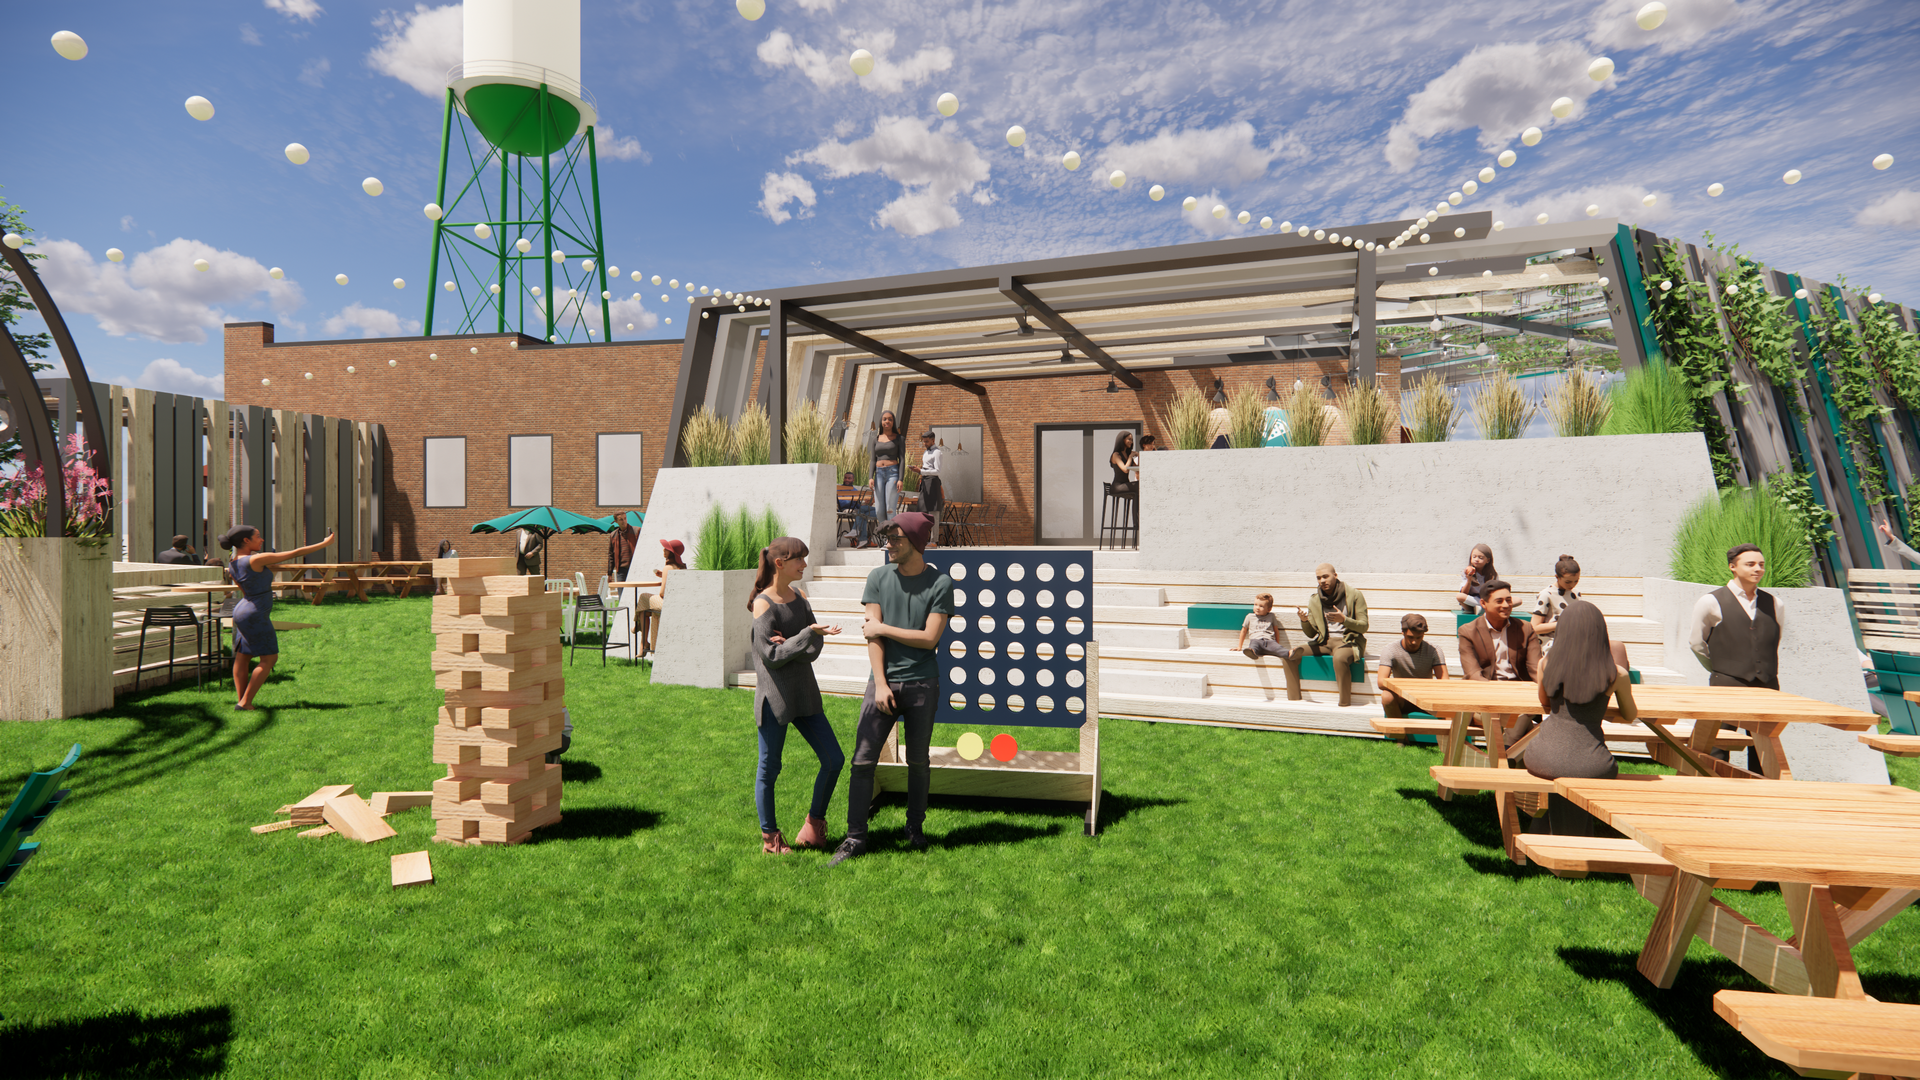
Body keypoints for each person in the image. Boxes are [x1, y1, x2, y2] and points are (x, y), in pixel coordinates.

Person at [832, 512, 953, 865]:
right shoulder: (878, 577)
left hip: (923, 683)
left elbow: (929, 638)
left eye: (896, 539)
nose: (888, 545)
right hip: (881, 683)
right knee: (862, 761)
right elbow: (872, 637)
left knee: (918, 761)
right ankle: (855, 838)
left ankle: (914, 828)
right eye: (887, 539)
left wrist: (883, 628)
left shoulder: (940, 583)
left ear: (915, 542)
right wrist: (881, 684)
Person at [747, 536, 845, 854]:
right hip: (775, 700)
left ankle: (813, 826)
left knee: (834, 759)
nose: (804, 564)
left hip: (805, 694)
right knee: (769, 768)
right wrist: (802, 637)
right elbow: (771, 656)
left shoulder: (800, 597)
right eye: (799, 559)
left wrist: (793, 642)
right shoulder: (763, 603)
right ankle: (770, 839)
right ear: (780, 563)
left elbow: (813, 647)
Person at [1526, 600, 1637, 836]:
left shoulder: (1546, 663)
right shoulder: (1616, 673)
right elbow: (1629, 715)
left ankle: (1552, 833)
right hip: (1592, 763)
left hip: (1541, 757)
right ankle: (1575, 836)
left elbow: (1545, 702)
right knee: (1580, 770)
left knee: (1562, 770)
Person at [218, 523, 335, 710]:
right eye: (258, 536)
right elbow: (295, 553)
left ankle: (242, 700)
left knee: (243, 656)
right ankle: (245, 702)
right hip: (255, 613)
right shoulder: (256, 559)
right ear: (246, 540)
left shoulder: (233, 563)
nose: (262, 539)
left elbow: (245, 589)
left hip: (241, 609)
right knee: (269, 659)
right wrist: (325, 543)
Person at [1458, 578, 1544, 744]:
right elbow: (1473, 673)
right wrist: (1499, 695)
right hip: (1487, 695)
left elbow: (1535, 669)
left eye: (1508, 600)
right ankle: (1509, 753)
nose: (1506, 605)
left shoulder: (1525, 629)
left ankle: (1506, 754)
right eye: (1499, 601)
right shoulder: (1468, 631)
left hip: (1520, 696)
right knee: (1523, 724)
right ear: (1483, 603)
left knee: (1523, 714)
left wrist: (1548, 692)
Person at [1689, 543, 1783, 690]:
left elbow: (1772, 641)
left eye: (1761, 564)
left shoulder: (1775, 603)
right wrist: (1719, 669)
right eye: (1750, 564)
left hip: (1768, 685)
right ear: (1732, 567)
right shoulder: (1711, 601)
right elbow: (1696, 643)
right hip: (1726, 685)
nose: (1758, 569)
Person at [1284, 564, 1368, 707]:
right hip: (1324, 641)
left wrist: (1344, 620)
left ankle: (1344, 703)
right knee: (1290, 654)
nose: (1322, 581)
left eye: (1325, 576)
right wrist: (1304, 621)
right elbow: (1311, 634)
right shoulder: (1315, 599)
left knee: (1339, 658)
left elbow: (1364, 626)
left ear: (1335, 575)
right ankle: (1294, 701)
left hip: (1347, 641)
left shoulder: (1354, 595)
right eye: (1318, 578)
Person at [1377, 613, 1449, 718]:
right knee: (1386, 696)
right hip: (1402, 697)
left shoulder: (1434, 650)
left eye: (1419, 637)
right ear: (1402, 632)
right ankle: (1399, 729)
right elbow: (1381, 682)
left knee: (1450, 706)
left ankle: (1448, 727)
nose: (1414, 641)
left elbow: (1444, 681)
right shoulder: (1390, 650)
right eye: (1410, 637)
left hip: (1426, 698)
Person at [635, 538, 684, 658]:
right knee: (645, 611)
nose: (663, 550)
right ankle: (641, 637)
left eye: (666, 549)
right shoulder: (680, 567)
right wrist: (663, 576)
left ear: (671, 552)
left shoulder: (668, 567)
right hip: (678, 604)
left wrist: (664, 578)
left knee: (643, 597)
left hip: (666, 604)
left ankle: (640, 635)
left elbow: (662, 593)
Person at [1532, 555, 1582, 653]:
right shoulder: (1546, 594)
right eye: (1568, 582)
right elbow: (1534, 627)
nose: (1572, 585)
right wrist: (1563, 624)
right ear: (1557, 577)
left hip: (1573, 643)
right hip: (1552, 646)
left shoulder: (1575, 593)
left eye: (1576, 581)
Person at [869, 411, 905, 543]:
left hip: (893, 474)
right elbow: (873, 460)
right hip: (878, 474)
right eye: (884, 419)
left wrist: (901, 479)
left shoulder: (899, 439)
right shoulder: (876, 439)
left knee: (890, 508)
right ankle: (886, 537)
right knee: (879, 510)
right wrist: (870, 477)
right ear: (881, 421)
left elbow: (902, 459)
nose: (887, 421)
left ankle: (892, 539)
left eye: (890, 419)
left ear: (893, 422)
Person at [910, 430, 944, 549]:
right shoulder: (925, 452)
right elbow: (926, 468)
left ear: (933, 440)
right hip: (924, 482)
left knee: (934, 512)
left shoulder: (937, 453)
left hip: (933, 482)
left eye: (927, 441)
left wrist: (921, 471)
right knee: (922, 512)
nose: (925, 443)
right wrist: (919, 470)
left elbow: (938, 471)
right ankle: (922, 539)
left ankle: (934, 541)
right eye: (924, 441)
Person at [1233, 593, 1287, 661]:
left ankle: (1290, 653)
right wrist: (1239, 646)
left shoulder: (1271, 616)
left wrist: (1276, 643)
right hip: (1256, 639)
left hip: (1269, 641)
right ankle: (1252, 652)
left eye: (1261, 606)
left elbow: (1276, 631)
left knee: (1279, 648)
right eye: (1255, 604)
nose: (1257, 608)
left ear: (1269, 609)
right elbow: (1243, 631)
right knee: (1253, 644)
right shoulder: (1249, 617)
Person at [1456, 543, 1497, 613]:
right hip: (1472, 601)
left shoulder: (1492, 575)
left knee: (1515, 600)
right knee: (1459, 596)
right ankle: (1482, 608)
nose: (1476, 560)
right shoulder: (1467, 572)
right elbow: (1464, 593)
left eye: (1480, 558)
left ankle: (1482, 608)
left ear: (1488, 560)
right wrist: (1469, 580)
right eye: (1474, 557)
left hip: (1486, 599)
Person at [837, 470, 871, 547]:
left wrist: (866, 503)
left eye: (849, 478)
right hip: (844, 510)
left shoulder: (855, 491)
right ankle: (857, 539)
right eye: (845, 478)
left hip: (854, 510)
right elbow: (841, 503)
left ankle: (869, 538)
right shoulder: (838, 489)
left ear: (853, 480)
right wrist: (853, 501)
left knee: (868, 511)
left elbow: (858, 505)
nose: (847, 480)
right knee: (860, 514)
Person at [608, 515, 638, 581]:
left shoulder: (636, 531)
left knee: (634, 587)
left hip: (634, 568)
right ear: (616, 521)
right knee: (621, 588)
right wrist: (609, 574)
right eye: (621, 519)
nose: (624, 521)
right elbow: (611, 555)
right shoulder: (613, 535)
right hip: (621, 570)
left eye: (625, 518)